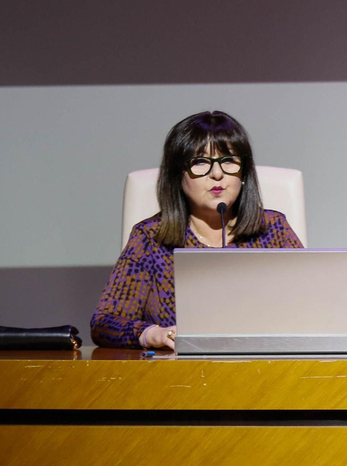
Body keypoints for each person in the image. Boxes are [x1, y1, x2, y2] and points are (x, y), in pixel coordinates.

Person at [91, 111, 302, 349]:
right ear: (177, 175)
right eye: (200, 162)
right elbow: (104, 323)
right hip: (181, 370)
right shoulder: (151, 237)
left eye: (228, 161)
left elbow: (313, 307)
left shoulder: (273, 229)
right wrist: (153, 334)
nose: (217, 174)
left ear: (243, 173)